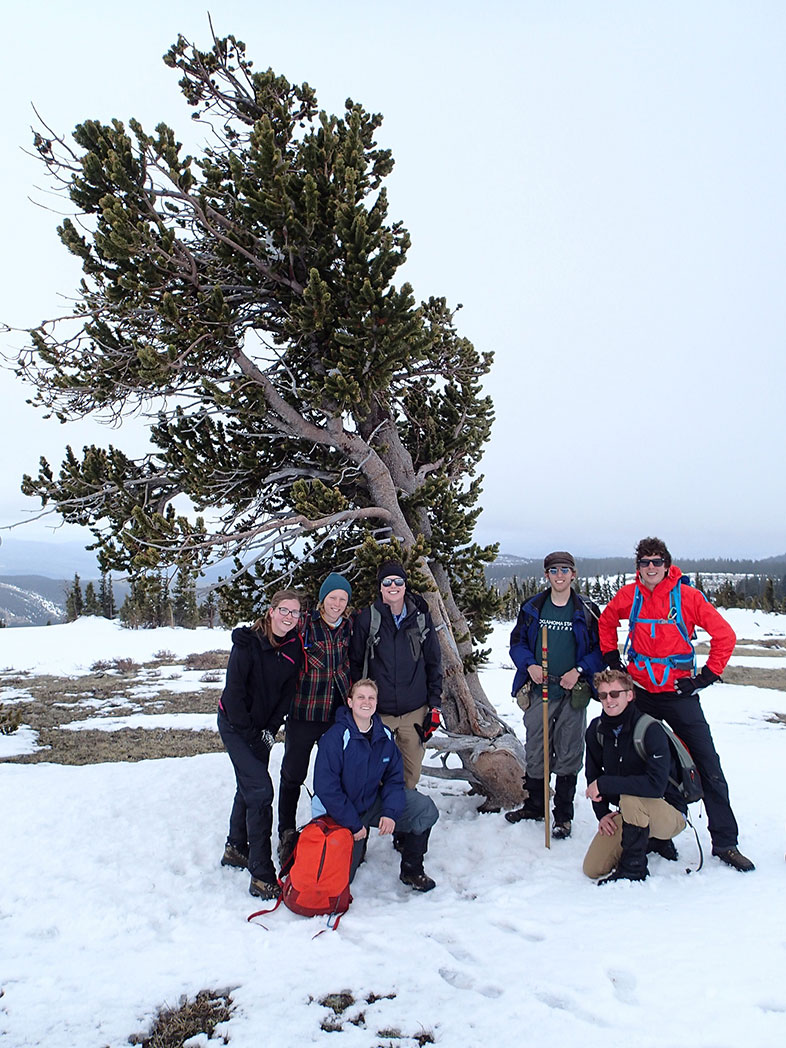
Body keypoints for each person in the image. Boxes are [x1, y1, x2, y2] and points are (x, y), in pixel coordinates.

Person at [599, 536, 754, 872]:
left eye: (657, 562)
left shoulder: (687, 596)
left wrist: (704, 678)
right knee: (643, 765)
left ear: (666, 565)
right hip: (639, 694)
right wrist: (613, 661)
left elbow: (724, 635)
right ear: (638, 567)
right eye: (645, 562)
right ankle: (656, 836)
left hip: (678, 694)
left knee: (706, 763)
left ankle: (725, 843)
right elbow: (606, 622)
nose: (651, 568)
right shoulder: (630, 596)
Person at [506, 551, 604, 838]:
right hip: (539, 690)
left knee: (569, 752)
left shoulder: (586, 610)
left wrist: (580, 670)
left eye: (564, 570)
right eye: (553, 570)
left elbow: (600, 650)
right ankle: (535, 805)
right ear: (546, 575)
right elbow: (517, 644)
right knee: (536, 748)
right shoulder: (533, 607)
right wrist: (530, 665)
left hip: (573, 692)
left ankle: (563, 815)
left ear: (573, 574)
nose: (559, 575)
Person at [312, 678, 439, 891]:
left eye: (371, 698)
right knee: (341, 879)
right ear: (350, 702)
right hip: (339, 813)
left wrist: (390, 812)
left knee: (424, 809)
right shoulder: (335, 737)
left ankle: (412, 870)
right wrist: (353, 824)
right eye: (360, 697)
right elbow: (327, 789)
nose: (366, 702)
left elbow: (394, 779)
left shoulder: (385, 736)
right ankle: (349, 848)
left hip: (370, 802)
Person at [217, 589, 304, 899]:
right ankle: (261, 874)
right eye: (284, 610)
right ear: (271, 611)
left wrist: (269, 729)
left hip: (261, 729)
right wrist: (253, 735)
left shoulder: (294, 647)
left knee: (249, 786)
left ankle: (236, 847)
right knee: (260, 791)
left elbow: (285, 695)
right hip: (234, 725)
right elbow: (234, 695)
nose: (289, 617)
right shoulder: (247, 644)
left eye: (295, 613)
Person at [583, 669, 687, 883]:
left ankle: (633, 869)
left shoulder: (650, 729)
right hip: (632, 812)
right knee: (592, 868)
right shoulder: (596, 730)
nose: (609, 700)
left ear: (629, 695)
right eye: (603, 695)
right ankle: (651, 841)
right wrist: (602, 814)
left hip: (669, 812)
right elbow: (592, 775)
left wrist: (605, 783)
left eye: (615, 694)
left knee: (630, 798)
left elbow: (655, 786)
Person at [277, 572, 353, 863]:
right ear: (323, 599)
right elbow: (277, 630)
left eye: (342, 599)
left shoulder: (349, 626)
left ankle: (333, 828)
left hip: (336, 716)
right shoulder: (305, 623)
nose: (336, 603)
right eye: (332, 597)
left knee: (335, 775)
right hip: (304, 712)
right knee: (293, 774)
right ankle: (286, 831)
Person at [349, 560, 443, 789]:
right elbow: (355, 663)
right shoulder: (369, 619)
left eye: (398, 581)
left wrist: (435, 706)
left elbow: (434, 663)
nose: (393, 586)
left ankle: (403, 819)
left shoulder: (420, 617)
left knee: (410, 775)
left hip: (414, 712)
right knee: (376, 771)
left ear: (405, 585)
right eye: (387, 581)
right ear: (380, 587)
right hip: (380, 713)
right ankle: (379, 816)